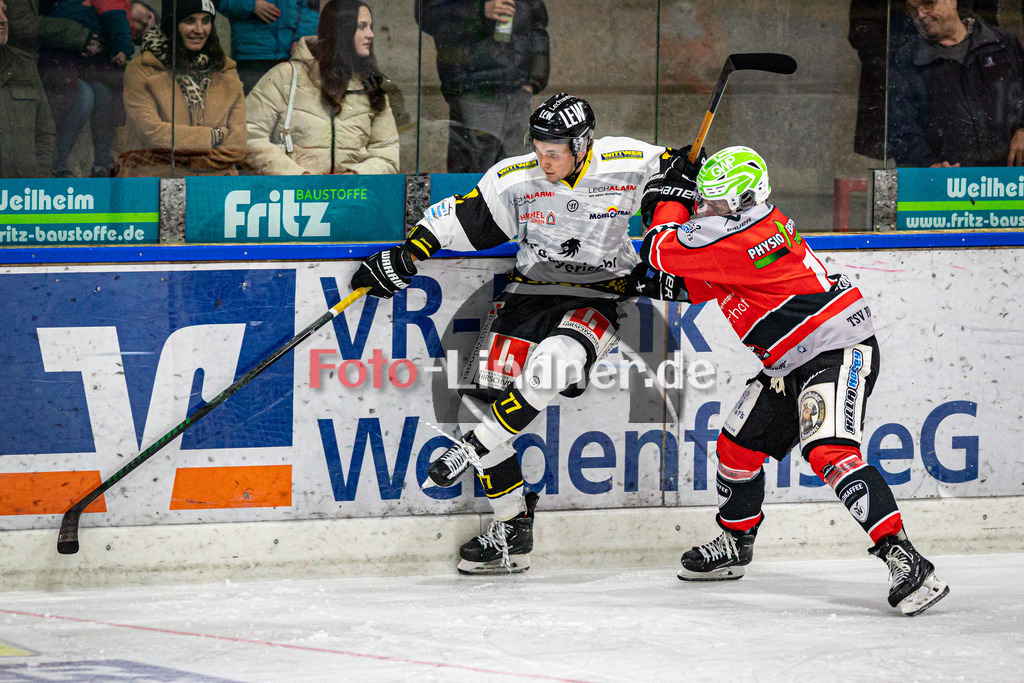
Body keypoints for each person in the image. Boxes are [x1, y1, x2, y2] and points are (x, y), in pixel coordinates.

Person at [350, 93, 686, 574]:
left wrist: (682, 178)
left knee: (556, 363)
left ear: (583, 143)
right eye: (538, 148)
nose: (544, 160)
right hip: (530, 294)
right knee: (475, 408)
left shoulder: (624, 161)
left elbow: (679, 172)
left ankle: (475, 449)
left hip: (601, 294)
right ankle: (511, 527)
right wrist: (408, 255)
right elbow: (459, 216)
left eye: (555, 152)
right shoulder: (517, 177)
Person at [632, 145, 950, 616]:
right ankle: (736, 544)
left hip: (835, 348)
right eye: (704, 199)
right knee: (735, 449)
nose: (706, 208)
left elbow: (661, 248)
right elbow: (689, 280)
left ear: (744, 200)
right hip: (787, 362)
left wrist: (666, 196)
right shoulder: (735, 232)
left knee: (829, 452)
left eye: (715, 202)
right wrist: (624, 276)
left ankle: (906, 559)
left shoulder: (742, 234)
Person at [245, 0, 398, 175]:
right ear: (341, 31)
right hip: (294, 197)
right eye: (362, 27)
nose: (370, 34)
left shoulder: (372, 86)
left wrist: (355, 176)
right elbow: (249, 136)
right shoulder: (285, 77)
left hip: (353, 197)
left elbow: (387, 154)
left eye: (370, 27)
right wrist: (298, 177)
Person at [416, 0, 549, 173]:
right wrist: (478, 11)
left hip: (517, 91)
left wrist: (534, 81)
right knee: (475, 176)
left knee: (520, 176)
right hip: (473, 89)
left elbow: (537, 24)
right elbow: (428, 16)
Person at [116, 0, 245, 177]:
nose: (199, 30)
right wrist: (212, 136)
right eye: (190, 21)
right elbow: (152, 132)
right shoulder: (141, 69)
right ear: (172, 25)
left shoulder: (225, 69)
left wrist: (188, 158)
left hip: (214, 185)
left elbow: (236, 146)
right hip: (156, 183)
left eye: (206, 21)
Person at [889, 0, 1024, 167]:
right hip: (951, 185)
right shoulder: (907, 61)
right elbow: (902, 131)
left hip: (1009, 179)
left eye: (928, 4)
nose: (920, 16)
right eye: (913, 10)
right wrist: (929, 165)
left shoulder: (1004, 44)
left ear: (952, 1)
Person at [42, 0, 134, 177]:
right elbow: (114, 15)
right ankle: (61, 166)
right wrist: (123, 47)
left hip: (76, 58)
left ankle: (100, 165)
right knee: (87, 94)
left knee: (101, 94)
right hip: (67, 56)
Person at [0, 0, 57, 178]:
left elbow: (45, 133)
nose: (3, 20)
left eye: (3, 11)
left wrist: (39, 179)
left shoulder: (24, 64)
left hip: (23, 194)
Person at [219, 0, 318, 94]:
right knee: (251, 108)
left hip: (290, 58)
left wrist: (301, 38)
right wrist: (252, 5)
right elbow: (220, 2)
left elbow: (310, 8)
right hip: (252, 59)